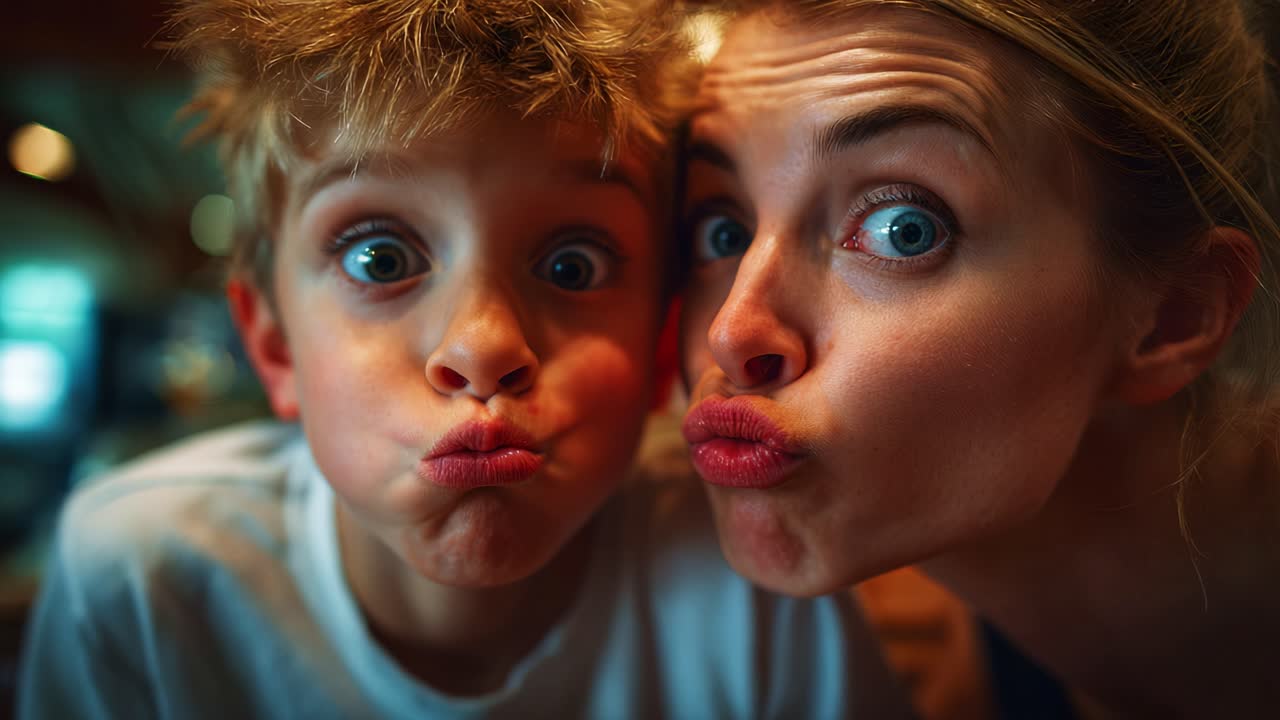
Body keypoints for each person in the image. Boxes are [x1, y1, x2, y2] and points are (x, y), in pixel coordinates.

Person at [17, 1, 912, 717]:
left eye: (573, 265)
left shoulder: (749, 577)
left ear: (658, 341)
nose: (483, 349)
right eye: (381, 259)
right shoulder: (139, 580)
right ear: (275, 345)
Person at [677, 0, 1280, 716]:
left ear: (1173, 316)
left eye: (903, 228)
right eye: (723, 230)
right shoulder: (876, 665)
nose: (731, 331)